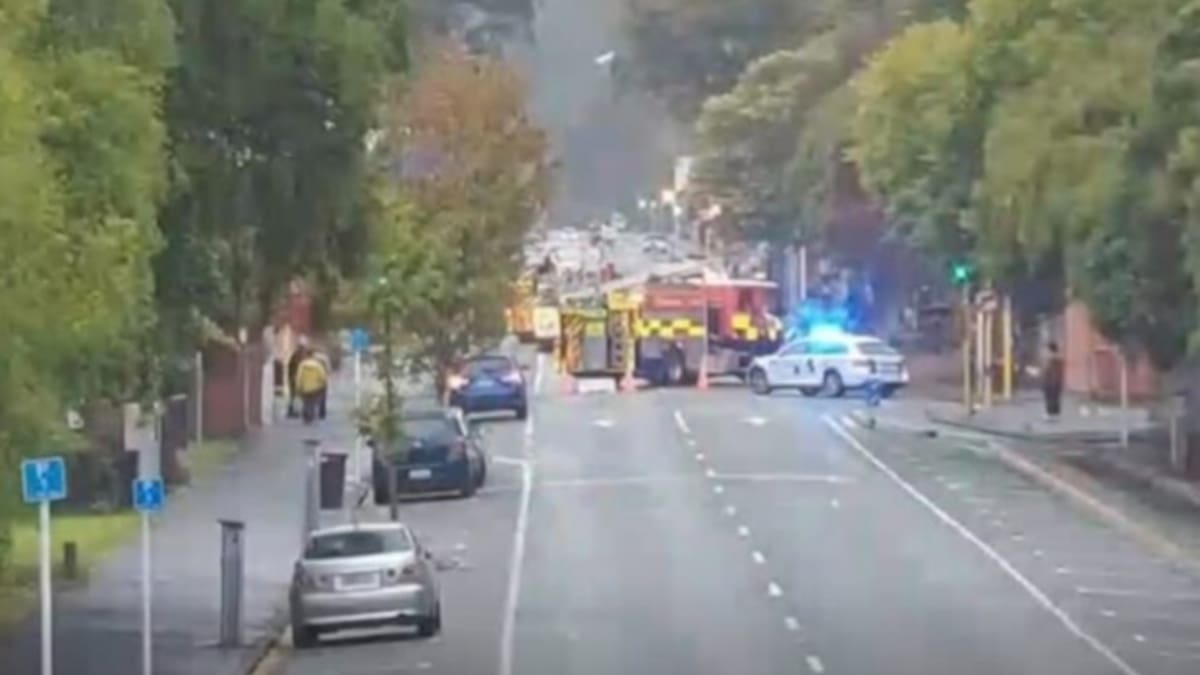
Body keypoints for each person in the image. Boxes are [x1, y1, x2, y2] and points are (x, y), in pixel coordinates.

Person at [295, 348, 328, 424]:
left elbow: (299, 376)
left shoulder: (302, 365)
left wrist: (298, 386)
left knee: (306, 402)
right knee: (312, 403)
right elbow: (322, 375)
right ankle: (311, 416)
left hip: (305, 387)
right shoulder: (318, 365)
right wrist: (323, 383)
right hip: (315, 387)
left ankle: (306, 416)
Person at [286, 338, 308, 418]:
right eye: (302, 347)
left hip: (297, 378)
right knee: (295, 395)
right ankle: (293, 411)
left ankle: (294, 411)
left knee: (296, 396)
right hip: (295, 378)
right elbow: (293, 367)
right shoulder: (297, 356)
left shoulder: (299, 355)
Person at [1042, 341, 1065, 421]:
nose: (1045, 351)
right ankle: (1055, 414)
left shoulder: (1052, 360)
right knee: (1055, 398)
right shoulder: (1057, 359)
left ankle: (1050, 414)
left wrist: (1051, 381)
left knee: (1050, 398)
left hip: (1051, 382)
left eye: (1047, 349)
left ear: (1050, 350)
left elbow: (1051, 372)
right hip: (1055, 382)